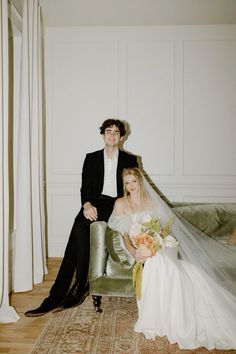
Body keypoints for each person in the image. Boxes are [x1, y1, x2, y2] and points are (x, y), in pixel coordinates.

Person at [108, 167, 236, 350]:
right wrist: (134, 251)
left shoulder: (151, 202)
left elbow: (164, 229)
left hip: (161, 244)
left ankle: (174, 314)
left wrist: (156, 243)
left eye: (134, 181)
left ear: (140, 182)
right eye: (127, 182)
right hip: (137, 248)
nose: (131, 186)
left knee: (163, 262)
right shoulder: (121, 203)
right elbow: (124, 236)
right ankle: (157, 316)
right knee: (155, 262)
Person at [25, 119, 138, 317]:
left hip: (116, 204)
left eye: (116, 132)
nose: (112, 135)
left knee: (80, 226)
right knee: (79, 227)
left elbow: (133, 187)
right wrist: (86, 205)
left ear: (121, 137)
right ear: (102, 135)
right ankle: (58, 295)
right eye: (108, 131)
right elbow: (85, 186)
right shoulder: (91, 158)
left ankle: (78, 286)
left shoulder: (130, 160)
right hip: (95, 202)